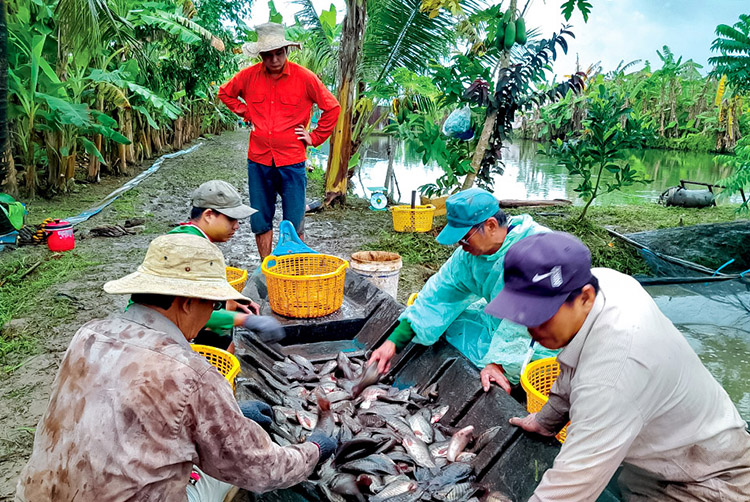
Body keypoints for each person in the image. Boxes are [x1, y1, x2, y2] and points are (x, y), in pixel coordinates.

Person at [16, 234, 337, 501]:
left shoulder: (87, 334)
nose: (211, 315)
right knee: (234, 480)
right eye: (211, 305)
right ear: (187, 302)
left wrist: (235, 415)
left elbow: (127, 417)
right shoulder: (192, 373)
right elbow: (262, 469)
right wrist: (315, 446)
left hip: (42, 492)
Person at [485, 231, 750, 501]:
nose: (532, 329)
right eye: (524, 313)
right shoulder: (604, 283)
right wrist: (546, 420)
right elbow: (572, 363)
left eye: (542, 316)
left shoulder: (612, 375)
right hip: (656, 465)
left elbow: (567, 490)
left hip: (707, 480)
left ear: (585, 297)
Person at [368, 188, 558, 392]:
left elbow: (527, 321)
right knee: (446, 325)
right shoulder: (468, 256)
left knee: (516, 366)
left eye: (465, 238)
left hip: (547, 334)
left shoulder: (538, 250)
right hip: (500, 322)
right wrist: (393, 343)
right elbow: (438, 296)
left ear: (491, 225)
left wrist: (499, 364)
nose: (461, 245)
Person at [219, 22, 340, 259]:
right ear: (261, 56)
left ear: (286, 51)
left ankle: (290, 267)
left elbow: (332, 108)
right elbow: (225, 93)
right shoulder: (248, 77)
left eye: (278, 53)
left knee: (294, 220)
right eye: (268, 55)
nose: (274, 59)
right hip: (259, 159)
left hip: (292, 161)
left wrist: (314, 137)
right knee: (260, 217)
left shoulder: (305, 78)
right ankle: (265, 267)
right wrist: (246, 112)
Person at [169, 179, 284, 352]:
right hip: (160, 328)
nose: (236, 226)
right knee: (223, 327)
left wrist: (236, 302)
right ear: (208, 215)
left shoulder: (184, 233)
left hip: (169, 314)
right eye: (231, 219)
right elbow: (185, 314)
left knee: (227, 305)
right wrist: (247, 321)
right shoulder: (192, 249)